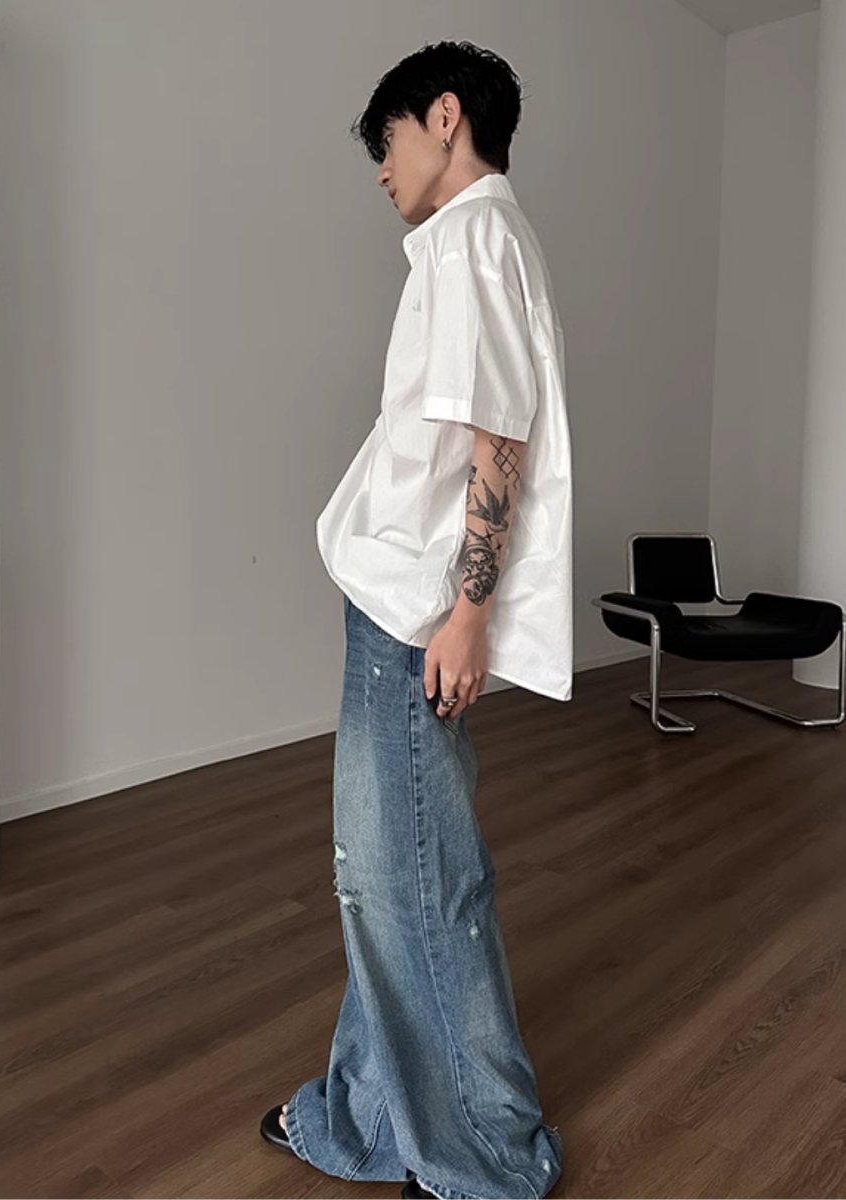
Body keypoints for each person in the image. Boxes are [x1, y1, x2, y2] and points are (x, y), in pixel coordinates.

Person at [259, 39, 573, 1200]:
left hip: (414, 618)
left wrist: (467, 614)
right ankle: (360, 1117)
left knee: (416, 886)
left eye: (386, 141)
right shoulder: (478, 241)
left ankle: (491, 1156)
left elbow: (500, 442)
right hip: (402, 605)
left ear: (446, 117)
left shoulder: (474, 238)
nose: (381, 169)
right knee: (389, 876)